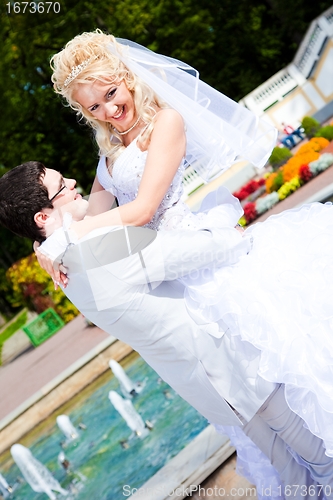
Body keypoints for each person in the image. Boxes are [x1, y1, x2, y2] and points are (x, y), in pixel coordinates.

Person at [1, 162, 333, 499]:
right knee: (323, 461)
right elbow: (183, 254)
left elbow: (97, 194)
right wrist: (230, 235)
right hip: (233, 364)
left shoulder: (64, 270)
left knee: (295, 479)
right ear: (42, 218)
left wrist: (42, 246)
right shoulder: (97, 247)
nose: (73, 182)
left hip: (208, 387)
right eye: (62, 185)